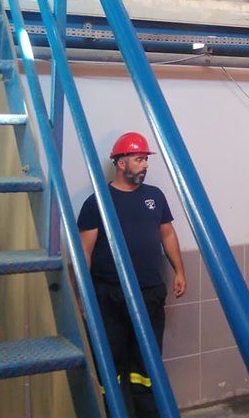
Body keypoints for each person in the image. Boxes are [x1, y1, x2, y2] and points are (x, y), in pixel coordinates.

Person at [77, 132, 186, 418]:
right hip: (109, 296)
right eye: (139, 159)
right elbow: (84, 251)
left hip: (149, 293)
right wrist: (82, 295)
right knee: (109, 363)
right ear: (121, 162)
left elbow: (167, 234)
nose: (145, 165)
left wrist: (179, 270)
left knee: (146, 364)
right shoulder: (97, 202)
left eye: (145, 159)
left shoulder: (155, 197)